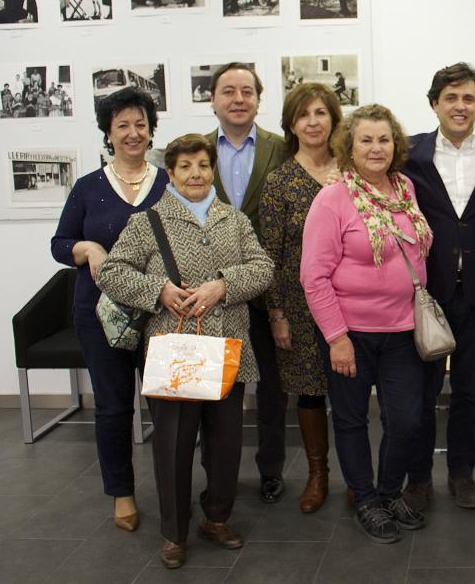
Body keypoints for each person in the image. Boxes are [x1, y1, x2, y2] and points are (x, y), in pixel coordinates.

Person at [97, 134, 274, 569]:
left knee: (226, 444)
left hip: (227, 351)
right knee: (173, 447)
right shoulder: (146, 222)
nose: (195, 174)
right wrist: (158, 289)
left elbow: (263, 267)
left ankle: (216, 516)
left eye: (202, 165)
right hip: (173, 354)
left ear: (211, 169)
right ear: (171, 173)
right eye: (184, 166)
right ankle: (174, 532)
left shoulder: (233, 220)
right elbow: (112, 272)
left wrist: (224, 286)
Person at [300, 104, 432, 543]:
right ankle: (366, 499)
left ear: (395, 145)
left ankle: (389, 490)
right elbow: (313, 276)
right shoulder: (332, 198)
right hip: (350, 333)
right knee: (352, 420)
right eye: (366, 140)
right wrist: (336, 338)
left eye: (384, 139)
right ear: (349, 147)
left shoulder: (404, 188)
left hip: (402, 330)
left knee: (407, 419)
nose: (376, 148)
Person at [50, 87, 168, 536]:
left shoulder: (167, 182)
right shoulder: (88, 187)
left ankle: (171, 488)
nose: (133, 133)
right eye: (123, 125)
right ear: (108, 132)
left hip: (159, 311)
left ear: (151, 130)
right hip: (99, 315)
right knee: (114, 408)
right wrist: (87, 247)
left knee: (167, 408)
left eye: (141, 124)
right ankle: (122, 492)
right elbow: (60, 244)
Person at [400, 64, 475, 512]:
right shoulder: (408, 153)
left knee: (469, 390)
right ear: (435, 104)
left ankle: (462, 472)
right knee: (423, 392)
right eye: (451, 98)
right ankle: (419, 477)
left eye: (468, 98)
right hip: (428, 292)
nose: (460, 106)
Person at [202, 62, 290, 504]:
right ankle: (217, 474)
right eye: (228, 91)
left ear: (259, 99)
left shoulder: (281, 148)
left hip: (268, 289)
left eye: (247, 91)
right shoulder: (193, 152)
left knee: (273, 388)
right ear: (212, 99)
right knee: (217, 390)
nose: (238, 99)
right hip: (211, 293)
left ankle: (271, 470)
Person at [259, 83, 343, 514]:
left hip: (349, 299)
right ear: (291, 125)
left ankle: (357, 474)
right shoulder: (279, 181)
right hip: (297, 302)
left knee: (351, 389)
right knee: (310, 392)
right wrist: (276, 312)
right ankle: (317, 474)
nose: (313, 122)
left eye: (321, 112)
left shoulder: (353, 169)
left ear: (333, 118)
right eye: (304, 114)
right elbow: (269, 253)